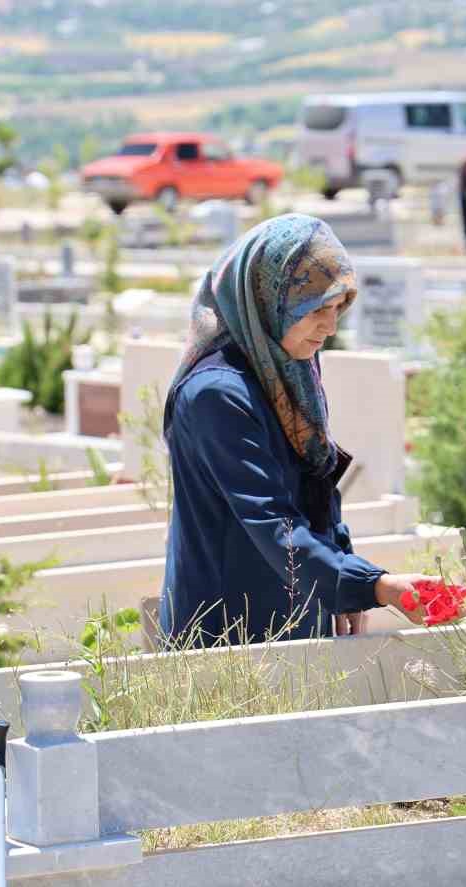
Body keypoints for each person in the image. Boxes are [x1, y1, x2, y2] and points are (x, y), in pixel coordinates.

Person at [159, 215, 433, 647]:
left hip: (295, 617)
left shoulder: (285, 371)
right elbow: (272, 520)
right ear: (268, 299)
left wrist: (345, 575)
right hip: (228, 634)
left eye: (338, 307)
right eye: (316, 309)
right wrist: (371, 586)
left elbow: (315, 485)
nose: (331, 327)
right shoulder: (217, 394)